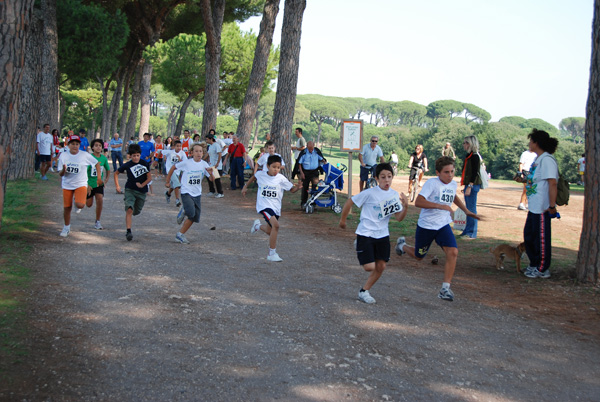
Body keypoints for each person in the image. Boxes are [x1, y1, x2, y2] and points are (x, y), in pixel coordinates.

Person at [395, 156, 480, 301]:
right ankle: (402, 246)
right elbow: (419, 201)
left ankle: (445, 289)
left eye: (452, 171)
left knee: (453, 252)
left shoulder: (452, 184)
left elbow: (453, 196)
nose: (450, 175)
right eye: (446, 172)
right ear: (438, 172)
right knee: (419, 256)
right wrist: (440, 206)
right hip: (427, 226)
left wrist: (466, 211)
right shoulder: (432, 184)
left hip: (443, 225)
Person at [339, 163, 408, 304]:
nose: (386, 180)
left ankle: (364, 291)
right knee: (369, 267)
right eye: (383, 177)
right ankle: (359, 244)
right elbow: (350, 201)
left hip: (382, 235)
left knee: (381, 266)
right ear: (376, 178)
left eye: (389, 177)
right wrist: (342, 220)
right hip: (366, 232)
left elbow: (399, 218)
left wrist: (405, 207)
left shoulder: (394, 195)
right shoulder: (369, 193)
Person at [243, 154, 301, 262]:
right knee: (276, 226)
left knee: (271, 231)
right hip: (264, 206)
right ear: (268, 166)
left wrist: (297, 187)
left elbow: (291, 189)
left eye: (278, 167)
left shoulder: (281, 178)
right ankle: (272, 253)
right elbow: (254, 177)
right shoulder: (261, 174)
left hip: (276, 208)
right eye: (274, 167)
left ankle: (257, 226)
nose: (276, 170)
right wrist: (245, 186)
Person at [518, 129, 559, 279]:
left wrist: (552, 206)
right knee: (529, 235)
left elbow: (552, 183)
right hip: (533, 206)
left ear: (536, 143)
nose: (529, 144)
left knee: (541, 238)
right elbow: (535, 178)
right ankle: (534, 263)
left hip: (543, 206)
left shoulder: (547, 160)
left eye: (531, 141)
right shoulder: (538, 159)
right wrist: (523, 179)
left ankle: (542, 268)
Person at [165, 143, 214, 244]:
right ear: (191, 153)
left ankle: (180, 234)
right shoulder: (187, 163)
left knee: (194, 217)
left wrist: (211, 173)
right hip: (186, 192)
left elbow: (211, 179)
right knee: (191, 213)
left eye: (200, 151)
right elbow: (173, 167)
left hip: (197, 194)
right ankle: (184, 211)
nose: (199, 153)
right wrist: (168, 180)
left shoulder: (204, 164)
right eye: (196, 151)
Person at [57, 134, 101, 237]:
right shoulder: (64, 155)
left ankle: (77, 200)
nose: (75, 146)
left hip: (80, 183)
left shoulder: (84, 155)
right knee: (67, 207)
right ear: (68, 145)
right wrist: (64, 169)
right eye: (73, 144)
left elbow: (96, 163)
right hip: (67, 184)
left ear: (79, 145)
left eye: (77, 144)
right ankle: (66, 227)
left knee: (80, 205)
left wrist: (99, 177)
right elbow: (60, 173)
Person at [114, 143, 152, 241]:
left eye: (137, 155)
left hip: (142, 191)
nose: (135, 158)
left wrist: (142, 185)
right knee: (129, 209)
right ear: (130, 156)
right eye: (133, 156)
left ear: (140, 155)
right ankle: (128, 231)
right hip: (130, 190)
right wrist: (117, 186)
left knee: (136, 211)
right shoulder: (127, 165)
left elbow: (149, 178)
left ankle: (132, 211)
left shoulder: (144, 163)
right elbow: (116, 173)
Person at [459, 136, 482, 239]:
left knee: (471, 209)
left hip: (472, 185)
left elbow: (474, 173)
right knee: (467, 209)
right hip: (468, 185)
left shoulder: (475, 156)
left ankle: (472, 233)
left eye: (466, 143)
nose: (464, 145)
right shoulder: (469, 155)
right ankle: (467, 230)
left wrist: (469, 186)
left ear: (470, 144)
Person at [86, 139, 110, 230]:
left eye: (100, 145)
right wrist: (86, 183)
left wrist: (106, 180)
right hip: (89, 183)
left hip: (99, 183)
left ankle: (98, 221)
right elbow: (84, 171)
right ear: (92, 147)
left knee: (99, 200)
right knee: (88, 204)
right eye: (96, 145)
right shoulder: (89, 157)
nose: (98, 147)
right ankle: (80, 198)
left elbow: (108, 170)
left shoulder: (103, 158)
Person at [298, 141, 324, 208]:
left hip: (314, 172)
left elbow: (322, 159)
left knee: (315, 188)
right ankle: (303, 203)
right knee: (305, 188)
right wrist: (301, 173)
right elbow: (299, 164)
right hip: (305, 172)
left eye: (312, 148)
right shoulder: (304, 153)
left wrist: (324, 162)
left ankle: (313, 203)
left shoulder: (316, 152)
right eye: (309, 148)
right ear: (307, 146)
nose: (311, 150)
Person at [162, 140, 186, 206]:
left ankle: (168, 194)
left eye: (180, 146)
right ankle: (177, 200)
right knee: (177, 184)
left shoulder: (182, 153)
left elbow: (185, 162)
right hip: (170, 170)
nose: (179, 148)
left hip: (177, 171)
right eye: (177, 146)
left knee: (173, 185)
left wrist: (180, 159)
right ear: (174, 146)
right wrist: (156, 160)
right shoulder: (170, 152)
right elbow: (161, 152)